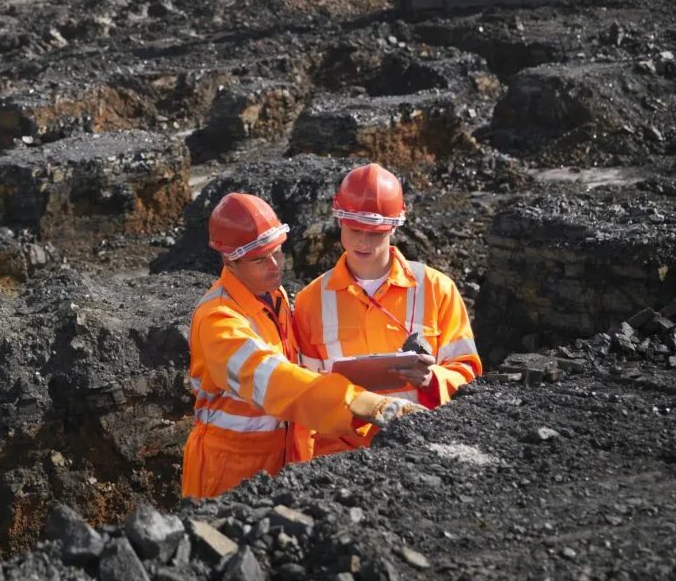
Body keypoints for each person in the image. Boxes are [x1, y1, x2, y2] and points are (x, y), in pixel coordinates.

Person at [182, 191, 422, 498]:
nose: (275, 266)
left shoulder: (273, 296)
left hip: (283, 459)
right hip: (228, 470)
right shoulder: (217, 320)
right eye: (259, 259)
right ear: (230, 260)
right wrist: (358, 403)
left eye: (278, 252)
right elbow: (270, 377)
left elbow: (297, 369)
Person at [293, 163, 482, 458]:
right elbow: (306, 388)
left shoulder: (436, 288)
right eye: (355, 230)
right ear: (339, 220)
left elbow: (467, 371)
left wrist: (432, 380)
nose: (363, 242)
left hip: (422, 445)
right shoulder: (311, 301)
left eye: (375, 233)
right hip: (341, 454)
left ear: (394, 226)